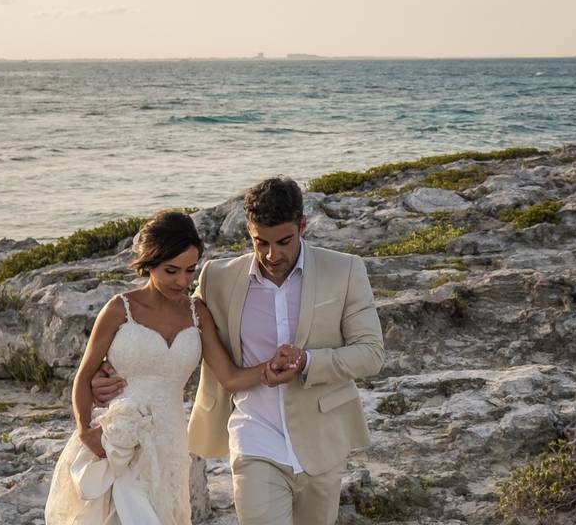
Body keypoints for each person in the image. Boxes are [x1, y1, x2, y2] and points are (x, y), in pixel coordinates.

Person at [93, 177, 385, 525]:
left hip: (321, 440)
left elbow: (371, 354)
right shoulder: (218, 278)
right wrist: (111, 367)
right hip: (253, 438)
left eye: (284, 241)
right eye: (260, 242)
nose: (272, 254)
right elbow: (174, 323)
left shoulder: (345, 270)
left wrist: (307, 361)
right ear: (248, 230)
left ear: (302, 226)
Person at [45, 210, 303, 525]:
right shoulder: (119, 309)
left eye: (190, 270)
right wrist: (86, 432)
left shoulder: (197, 313)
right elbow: (84, 376)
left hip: (169, 443)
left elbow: (231, 377)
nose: (182, 281)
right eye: (171, 271)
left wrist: (270, 367)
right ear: (150, 263)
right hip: (116, 439)